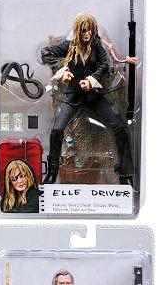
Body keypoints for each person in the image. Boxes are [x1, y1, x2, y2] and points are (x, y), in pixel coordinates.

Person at [41, 13, 136, 185]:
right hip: (72, 96)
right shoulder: (69, 46)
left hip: (94, 96)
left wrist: (91, 80)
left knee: (121, 127)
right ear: (78, 31)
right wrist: (63, 70)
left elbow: (105, 64)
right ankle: (53, 171)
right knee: (57, 129)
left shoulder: (96, 45)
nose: (87, 34)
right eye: (84, 30)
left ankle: (125, 172)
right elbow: (45, 53)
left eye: (90, 30)